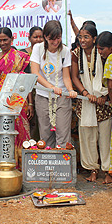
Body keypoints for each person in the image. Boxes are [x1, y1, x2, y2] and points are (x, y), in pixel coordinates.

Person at [71, 25, 112, 183]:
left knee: (105, 138)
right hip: (86, 102)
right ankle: (92, 169)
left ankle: (109, 171)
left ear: (94, 39)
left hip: (103, 103)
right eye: (80, 37)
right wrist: (85, 93)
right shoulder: (76, 53)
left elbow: (110, 78)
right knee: (88, 138)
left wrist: (105, 95)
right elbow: (74, 77)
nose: (82, 40)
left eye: (86, 37)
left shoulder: (102, 53)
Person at [0, 27, 32, 170]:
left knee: (21, 133)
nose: (2, 43)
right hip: (0, 99)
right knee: (3, 133)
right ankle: (5, 167)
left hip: (18, 99)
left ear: (12, 39)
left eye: (5, 40)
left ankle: (23, 169)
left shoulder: (21, 57)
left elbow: (27, 81)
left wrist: (30, 103)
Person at [31, 20, 77, 148]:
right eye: (52, 39)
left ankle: (63, 163)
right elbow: (35, 73)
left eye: (58, 38)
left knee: (63, 132)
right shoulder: (38, 48)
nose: (56, 42)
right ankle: (48, 164)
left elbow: (66, 76)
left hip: (61, 96)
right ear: (45, 37)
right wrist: (51, 87)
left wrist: (70, 89)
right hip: (43, 95)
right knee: (45, 134)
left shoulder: (65, 51)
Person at [97, 31, 112, 187]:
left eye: (102, 49)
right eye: (98, 49)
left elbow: (110, 86)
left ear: (111, 47)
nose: (100, 52)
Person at [20, 26, 44, 140]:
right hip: (27, 93)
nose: (38, 40)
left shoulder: (47, 53)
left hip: (44, 90)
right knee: (31, 123)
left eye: (41, 37)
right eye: (35, 37)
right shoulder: (22, 54)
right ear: (29, 38)